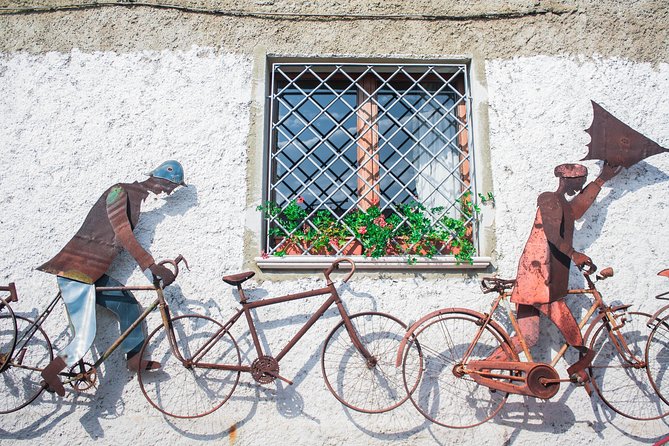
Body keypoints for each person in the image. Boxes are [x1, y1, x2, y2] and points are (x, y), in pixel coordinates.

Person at [38, 160, 186, 396]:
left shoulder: (136, 198)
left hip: (93, 273)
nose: (169, 192)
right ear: (161, 179)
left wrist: (151, 269)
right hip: (76, 270)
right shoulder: (120, 191)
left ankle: (135, 358)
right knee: (85, 335)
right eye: (171, 186)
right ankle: (51, 371)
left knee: (128, 305)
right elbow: (123, 233)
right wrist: (150, 267)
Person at [492, 162, 619, 383]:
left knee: (528, 337)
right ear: (566, 179)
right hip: (538, 275)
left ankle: (490, 366)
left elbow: (576, 210)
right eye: (578, 182)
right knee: (566, 321)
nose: (579, 188)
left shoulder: (561, 203)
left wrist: (601, 180)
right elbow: (552, 234)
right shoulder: (549, 198)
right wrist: (575, 254)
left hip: (539, 276)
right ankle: (580, 364)